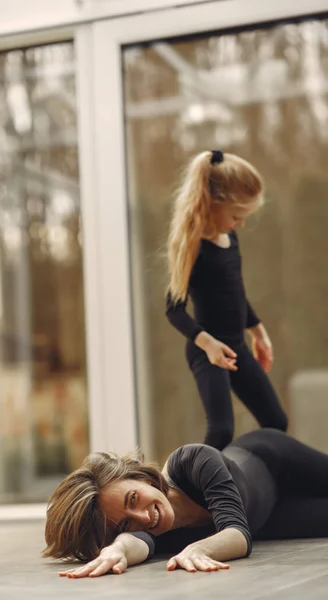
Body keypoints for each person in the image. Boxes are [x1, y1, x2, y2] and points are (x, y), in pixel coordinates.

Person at [43, 428, 328, 578]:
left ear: (140, 476)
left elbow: (237, 534)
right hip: (269, 517)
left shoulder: (192, 461)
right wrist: (114, 550)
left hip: (274, 460)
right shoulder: (147, 530)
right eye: (126, 523)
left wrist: (198, 548)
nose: (144, 517)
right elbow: (134, 543)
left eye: (133, 498)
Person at [165, 149, 288, 449]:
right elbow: (174, 309)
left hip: (235, 348)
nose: (240, 224)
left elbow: (235, 294)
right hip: (208, 352)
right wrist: (208, 344)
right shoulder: (192, 247)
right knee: (220, 431)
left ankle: (258, 474)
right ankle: (193, 488)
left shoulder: (230, 238)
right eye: (236, 216)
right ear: (211, 204)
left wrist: (259, 333)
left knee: (276, 421)